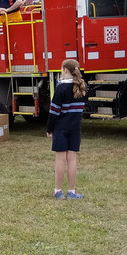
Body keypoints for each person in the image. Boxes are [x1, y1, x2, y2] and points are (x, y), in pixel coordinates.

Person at [46, 59, 87, 199]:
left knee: (60, 159)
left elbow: (54, 111)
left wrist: (49, 128)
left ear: (65, 70)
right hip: (75, 128)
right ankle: (71, 191)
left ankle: (58, 191)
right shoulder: (82, 87)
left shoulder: (61, 88)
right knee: (72, 159)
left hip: (61, 128)